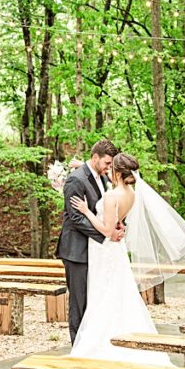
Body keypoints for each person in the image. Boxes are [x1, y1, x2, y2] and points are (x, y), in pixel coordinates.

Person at [66, 152, 176, 364]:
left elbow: (107, 230)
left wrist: (87, 211)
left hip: (104, 250)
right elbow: (116, 220)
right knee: (118, 293)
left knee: (102, 295)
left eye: (110, 168)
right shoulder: (131, 192)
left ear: (116, 171)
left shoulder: (110, 196)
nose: (107, 170)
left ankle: (100, 343)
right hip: (117, 251)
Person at [54, 139, 121, 343]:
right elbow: (75, 218)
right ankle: (78, 344)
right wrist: (105, 234)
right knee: (78, 300)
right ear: (95, 158)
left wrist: (116, 225)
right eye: (107, 163)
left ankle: (90, 341)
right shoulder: (76, 179)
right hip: (76, 251)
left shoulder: (101, 178)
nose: (110, 168)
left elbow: (100, 210)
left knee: (93, 298)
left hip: (93, 249)